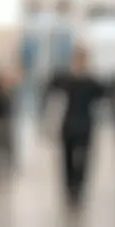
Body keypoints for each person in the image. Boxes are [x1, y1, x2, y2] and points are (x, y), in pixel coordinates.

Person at [43, 45, 108, 209]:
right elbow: (50, 88)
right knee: (67, 159)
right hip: (68, 126)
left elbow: (104, 94)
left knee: (83, 160)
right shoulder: (66, 79)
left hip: (85, 126)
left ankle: (78, 189)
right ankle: (70, 189)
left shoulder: (91, 82)